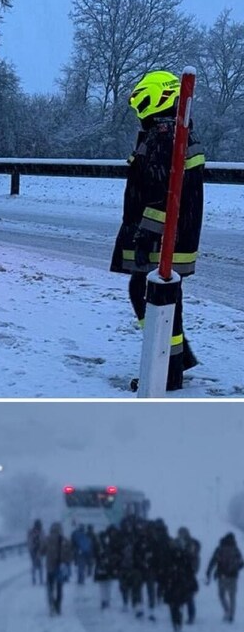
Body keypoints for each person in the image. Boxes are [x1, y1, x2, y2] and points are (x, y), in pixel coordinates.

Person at [110, 70, 205, 392]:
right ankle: (175, 359)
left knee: (148, 293)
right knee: (165, 297)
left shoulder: (165, 136)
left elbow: (162, 191)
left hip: (163, 236)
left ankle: (167, 367)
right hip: (174, 233)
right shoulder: (174, 132)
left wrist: (146, 233)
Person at [163, 535, 199, 632]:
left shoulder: (169, 556)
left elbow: (164, 572)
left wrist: (163, 583)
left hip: (171, 585)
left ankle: (176, 626)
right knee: (179, 606)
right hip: (182, 585)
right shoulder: (185, 557)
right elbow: (190, 573)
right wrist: (193, 585)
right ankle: (178, 625)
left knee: (173, 607)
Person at [205, 532, 244, 622]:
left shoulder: (220, 549)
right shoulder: (236, 549)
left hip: (221, 576)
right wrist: (235, 569)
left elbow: (213, 561)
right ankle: (231, 615)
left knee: (221, 595)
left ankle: (227, 610)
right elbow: (241, 563)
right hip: (233, 577)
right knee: (232, 597)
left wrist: (209, 572)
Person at [40, 521, 73, 616]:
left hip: (50, 568)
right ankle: (58, 607)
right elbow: (70, 555)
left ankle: (51, 604)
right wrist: (66, 562)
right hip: (60, 568)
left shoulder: (47, 539)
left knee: (50, 587)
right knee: (59, 588)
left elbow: (42, 552)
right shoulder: (65, 540)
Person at [176, 526, 201, 623]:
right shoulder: (178, 543)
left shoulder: (191, 544)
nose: (181, 535)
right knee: (178, 596)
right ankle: (180, 615)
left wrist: (193, 570)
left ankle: (191, 616)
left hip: (188, 574)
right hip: (179, 573)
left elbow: (195, 559)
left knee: (189, 596)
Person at [27, 519, 44, 585]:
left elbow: (28, 541)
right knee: (40, 565)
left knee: (34, 564)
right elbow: (43, 540)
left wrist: (30, 549)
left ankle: (34, 579)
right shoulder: (40, 532)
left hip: (32, 550)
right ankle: (40, 580)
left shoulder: (31, 532)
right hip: (37, 550)